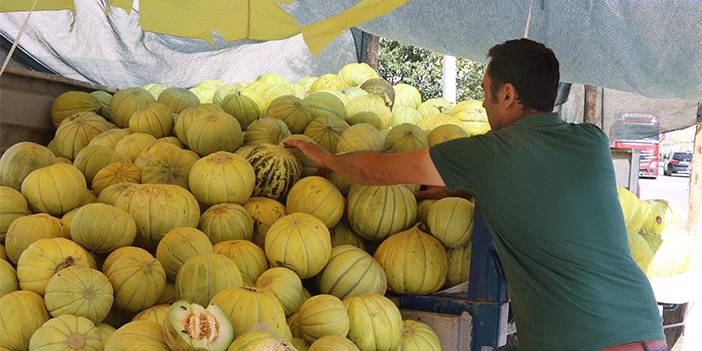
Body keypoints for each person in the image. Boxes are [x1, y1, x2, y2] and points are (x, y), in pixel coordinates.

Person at [285, 38, 665, 351]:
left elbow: (377, 170)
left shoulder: (489, 153)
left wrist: (327, 157)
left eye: (485, 92)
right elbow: (537, 177)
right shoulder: (591, 142)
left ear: (508, 94)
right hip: (644, 325)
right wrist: (461, 183)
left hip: (584, 340)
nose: (482, 103)